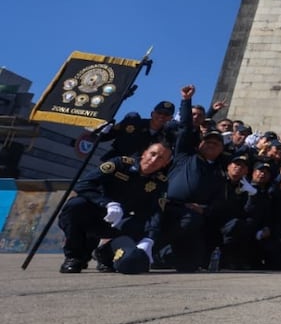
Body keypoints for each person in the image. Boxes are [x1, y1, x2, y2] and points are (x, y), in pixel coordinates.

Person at [57, 142, 172, 273]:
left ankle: (105, 254)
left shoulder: (160, 182)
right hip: (93, 213)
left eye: (161, 158)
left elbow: (156, 211)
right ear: (144, 153)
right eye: (152, 154)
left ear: (165, 164)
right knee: (75, 205)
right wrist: (107, 203)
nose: (154, 160)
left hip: (117, 222)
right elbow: (83, 184)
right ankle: (74, 258)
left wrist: (149, 239)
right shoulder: (120, 164)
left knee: (142, 225)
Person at [157, 85, 226, 272]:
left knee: (189, 264)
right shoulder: (185, 154)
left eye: (216, 143)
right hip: (166, 205)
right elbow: (186, 126)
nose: (211, 145)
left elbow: (219, 202)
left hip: (192, 215)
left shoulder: (219, 173)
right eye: (208, 142)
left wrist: (204, 209)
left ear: (221, 150)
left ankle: (168, 254)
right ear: (199, 144)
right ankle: (156, 249)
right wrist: (186, 101)